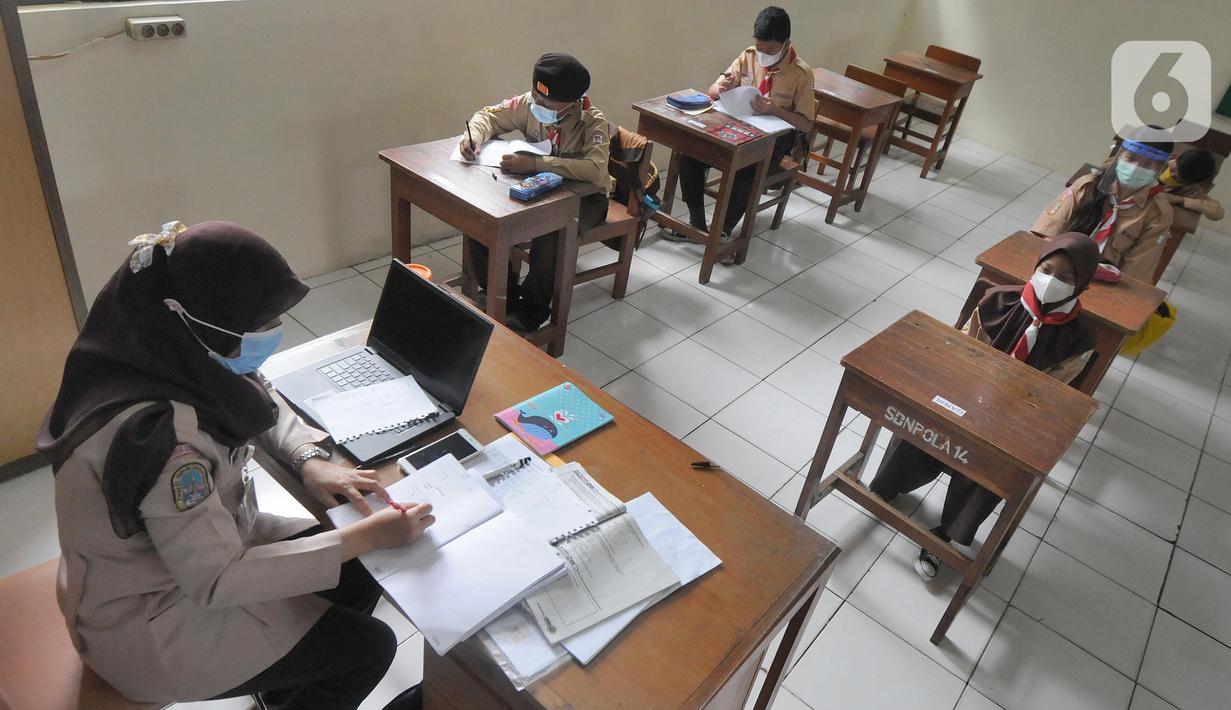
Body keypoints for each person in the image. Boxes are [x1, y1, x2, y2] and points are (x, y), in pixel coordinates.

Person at [36, 221, 435, 709]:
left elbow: (251, 392)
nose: (269, 334)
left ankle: (282, 687)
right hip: (150, 623)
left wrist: (306, 456)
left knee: (359, 567)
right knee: (370, 647)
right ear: (197, 320)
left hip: (176, 561)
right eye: (258, 326)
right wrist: (368, 535)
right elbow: (217, 580)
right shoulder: (163, 444)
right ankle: (286, 690)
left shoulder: (148, 350)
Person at [869, 233, 1100, 579]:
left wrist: (1000, 408)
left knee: (997, 463)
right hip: (964, 390)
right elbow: (961, 350)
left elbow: (1053, 393)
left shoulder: (1080, 339)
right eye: (1046, 269)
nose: (1051, 281)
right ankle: (888, 485)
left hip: (1015, 416)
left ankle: (945, 535)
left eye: (1065, 277)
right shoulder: (998, 301)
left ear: (1082, 285)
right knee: (925, 418)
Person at [459, 52, 609, 333]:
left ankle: (531, 309)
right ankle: (500, 294)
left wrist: (538, 163)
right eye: (536, 97)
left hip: (586, 200)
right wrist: (473, 137)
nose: (538, 105)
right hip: (540, 190)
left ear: (573, 102)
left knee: (552, 232)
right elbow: (487, 116)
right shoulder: (530, 104)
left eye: (547, 104)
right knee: (481, 213)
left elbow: (596, 170)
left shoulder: (592, 122)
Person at [664, 6, 815, 258]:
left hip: (773, 141)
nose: (763, 54)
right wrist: (723, 88)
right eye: (759, 47)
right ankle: (697, 223)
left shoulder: (801, 74)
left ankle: (722, 231)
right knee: (689, 153)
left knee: (748, 169)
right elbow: (712, 91)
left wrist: (775, 109)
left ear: (785, 43)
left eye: (770, 50)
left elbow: (807, 124)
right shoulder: (748, 56)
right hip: (737, 127)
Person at [1031, 133, 1174, 282]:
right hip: (1057, 267)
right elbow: (1048, 231)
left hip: (1107, 281)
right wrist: (1057, 266)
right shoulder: (1089, 185)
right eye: (1130, 158)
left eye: (1147, 165)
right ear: (1119, 155)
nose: (1135, 168)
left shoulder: (1158, 214)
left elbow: (1135, 273)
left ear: (1160, 169)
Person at [1158, 147, 1225, 222]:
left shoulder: (1190, 188)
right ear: (1177, 159)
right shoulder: (1158, 161)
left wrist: (1180, 200)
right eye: (1173, 170)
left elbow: (1218, 213)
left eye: (1178, 179)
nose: (1172, 175)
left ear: (1190, 182)